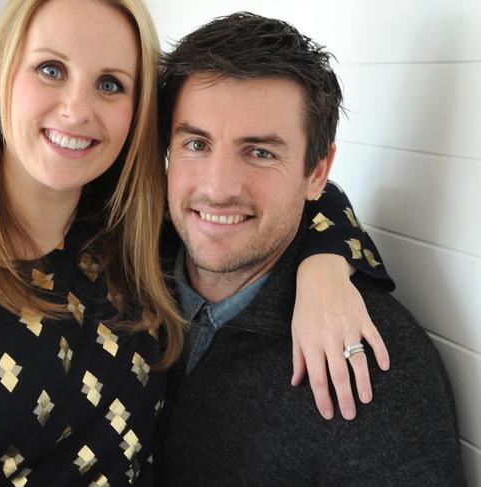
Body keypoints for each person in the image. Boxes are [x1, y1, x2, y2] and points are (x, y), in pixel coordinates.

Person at [0, 1, 390, 485]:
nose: (77, 109)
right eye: (51, 69)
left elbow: (303, 193)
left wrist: (325, 268)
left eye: (110, 84)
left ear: (137, 113)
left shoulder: (133, 229)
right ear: (3, 78)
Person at [156, 12, 466, 486]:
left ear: (316, 173)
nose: (218, 188)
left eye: (260, 152)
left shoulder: (374, 366)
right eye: (197, 144)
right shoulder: (116, 273)